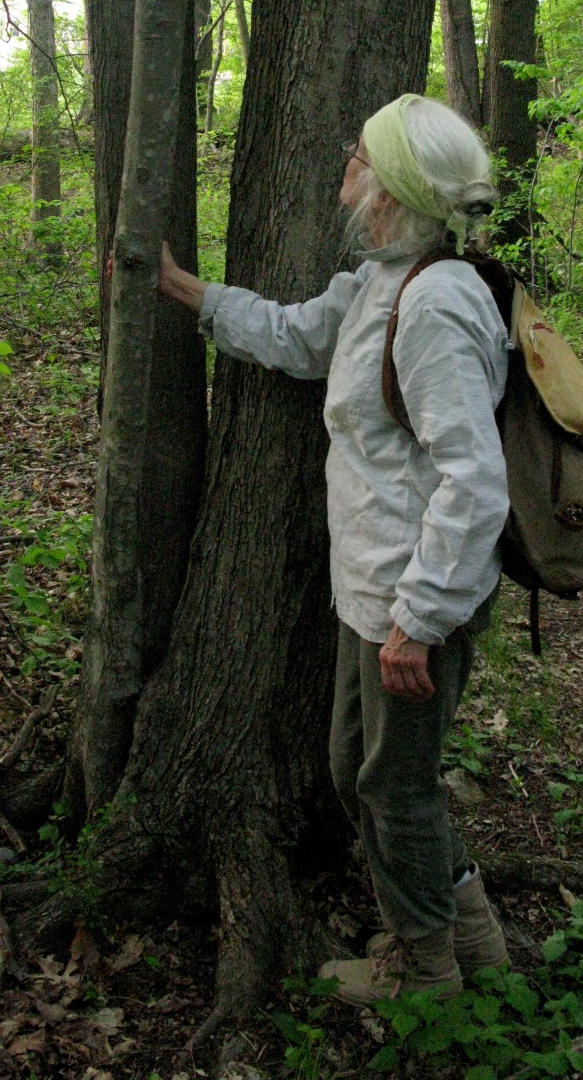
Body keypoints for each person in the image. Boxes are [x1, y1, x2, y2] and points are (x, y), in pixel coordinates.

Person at [159, 92, 511, 1005]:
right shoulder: (381, 286)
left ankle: (426, 973)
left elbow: (473, 481)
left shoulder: (435, 305)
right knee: (366, 774)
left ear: (391, 187)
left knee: (390, 786)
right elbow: (295, 336)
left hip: (414, 600)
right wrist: (192, 295)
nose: (343, 171)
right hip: (377, 593)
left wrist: (420, 622)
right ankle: (478, 944)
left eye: (357, 156)